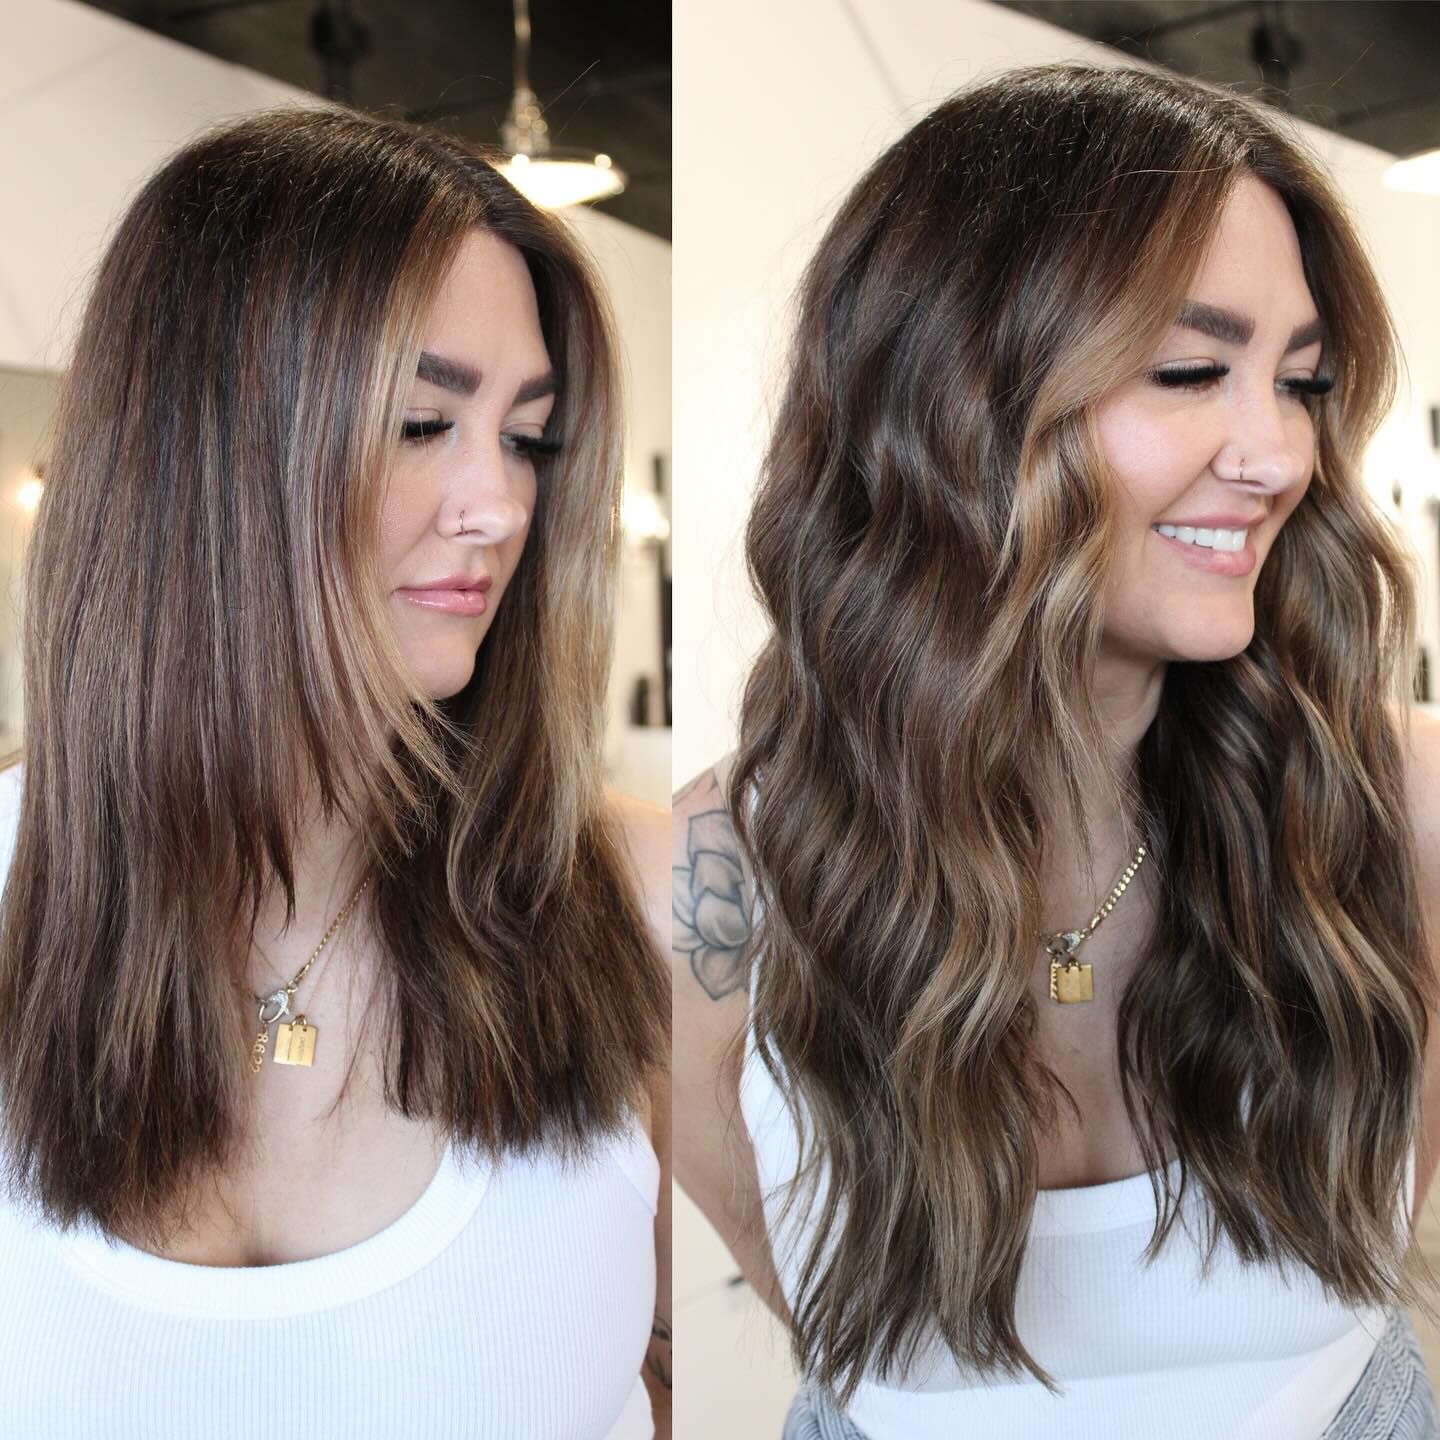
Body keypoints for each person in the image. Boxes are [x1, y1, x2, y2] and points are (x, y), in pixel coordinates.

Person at [674, 62, 1440, 1439]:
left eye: (1303, 382)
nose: (1279, 453)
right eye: (1193, 371)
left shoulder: (1400, 812)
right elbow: (839, 1350)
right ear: (953, 405)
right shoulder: (703, 893)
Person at [0, 103, 671, 1439]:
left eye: (527, 436)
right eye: (424, 423)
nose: (500, 505)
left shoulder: (643, 896)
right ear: (206, 452)